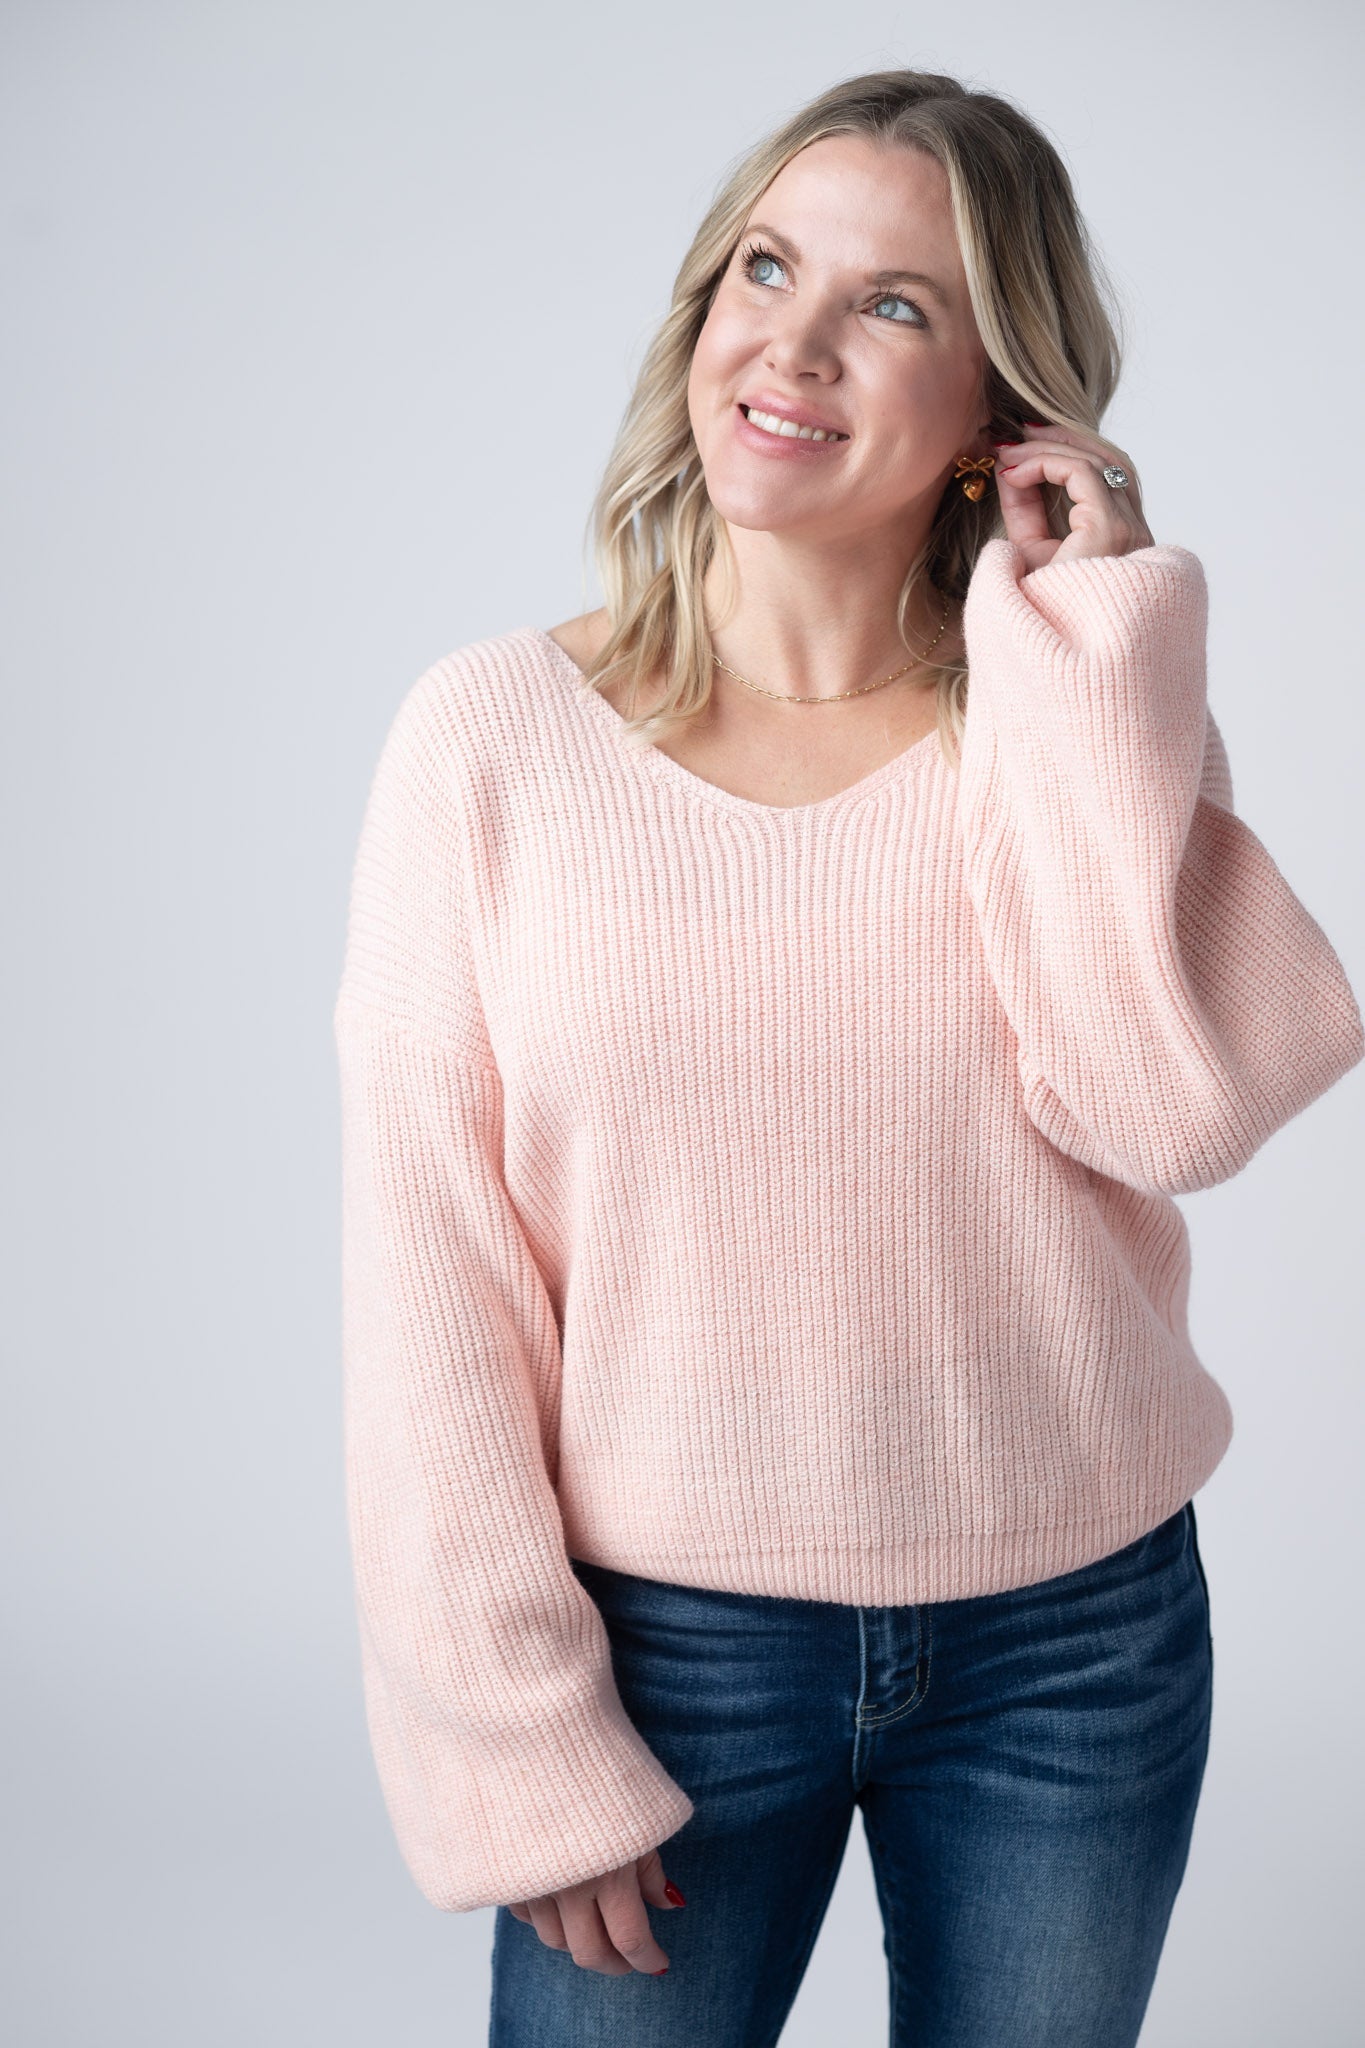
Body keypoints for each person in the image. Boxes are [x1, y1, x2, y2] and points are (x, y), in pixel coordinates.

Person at [332, 68, 1364, 2048]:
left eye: (890, 304)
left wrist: (1098, 646)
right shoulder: (490, 741)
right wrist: (515, 1736)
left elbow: (1165, 1107)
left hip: (1077, 1636)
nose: (790, 345)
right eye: (765, 268)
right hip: (665, 1657)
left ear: (997, 412)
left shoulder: (1060, 724)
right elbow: (431, 1281)